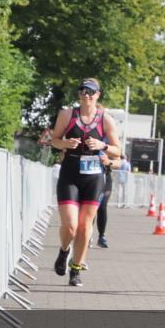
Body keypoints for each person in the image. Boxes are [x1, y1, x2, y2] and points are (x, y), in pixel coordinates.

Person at [49, 78, 120, 286]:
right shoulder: (67, 114)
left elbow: (118, 150)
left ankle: (76, 268)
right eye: (82, 91)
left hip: (94, 176)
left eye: (90, 92)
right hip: (70, 172)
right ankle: (63, 252)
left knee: (84, 226)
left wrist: (102, 145)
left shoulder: (105, 119)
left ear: (98, 95)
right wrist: (65, 143)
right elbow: (54, 140)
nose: (86, 95)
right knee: (70, 226)